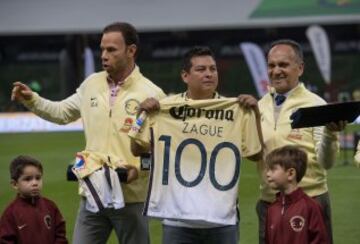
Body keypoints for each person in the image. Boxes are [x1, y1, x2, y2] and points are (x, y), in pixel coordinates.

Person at [11, 22, 166, 244]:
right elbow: (62, 112)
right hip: (92, 192)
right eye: (102, 49)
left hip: (131, 197)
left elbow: (159, 149)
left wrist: (139, 173)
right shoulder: (91, 84)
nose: (104, 55)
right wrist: (32, 99)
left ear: (131, 51)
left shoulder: (152, 93)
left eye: (111, 50)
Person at [130, 46, 263, 244]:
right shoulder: (164, 107)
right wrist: (139, 115)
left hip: (222, 219)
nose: (209, 74)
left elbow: (255, 154)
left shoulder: (236, 109)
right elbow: (136, 149)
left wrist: (256, 114)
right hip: (178, 220)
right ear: (185, 76)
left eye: (213, 69)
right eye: (201, 69)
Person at [255, 39, 346, 244]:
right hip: (270, 203)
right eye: (271, 65)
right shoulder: (260, 105)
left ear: (300, 68)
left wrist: (331, 135)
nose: (276, 71)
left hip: (310, 201)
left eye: (283, 65)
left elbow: (327, 163)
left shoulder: (315, 105)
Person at [265, 145, 328, 244]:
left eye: (272, 169)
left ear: (290, 174)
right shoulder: (271, 209)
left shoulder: (310, 207)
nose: (267, 174)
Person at [0, 155, 68, 244]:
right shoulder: (10, 213)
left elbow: (60, 234)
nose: (35, 183)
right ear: (15, 184)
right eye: (28, 179)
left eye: (38, 178)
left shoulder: (50, 206)